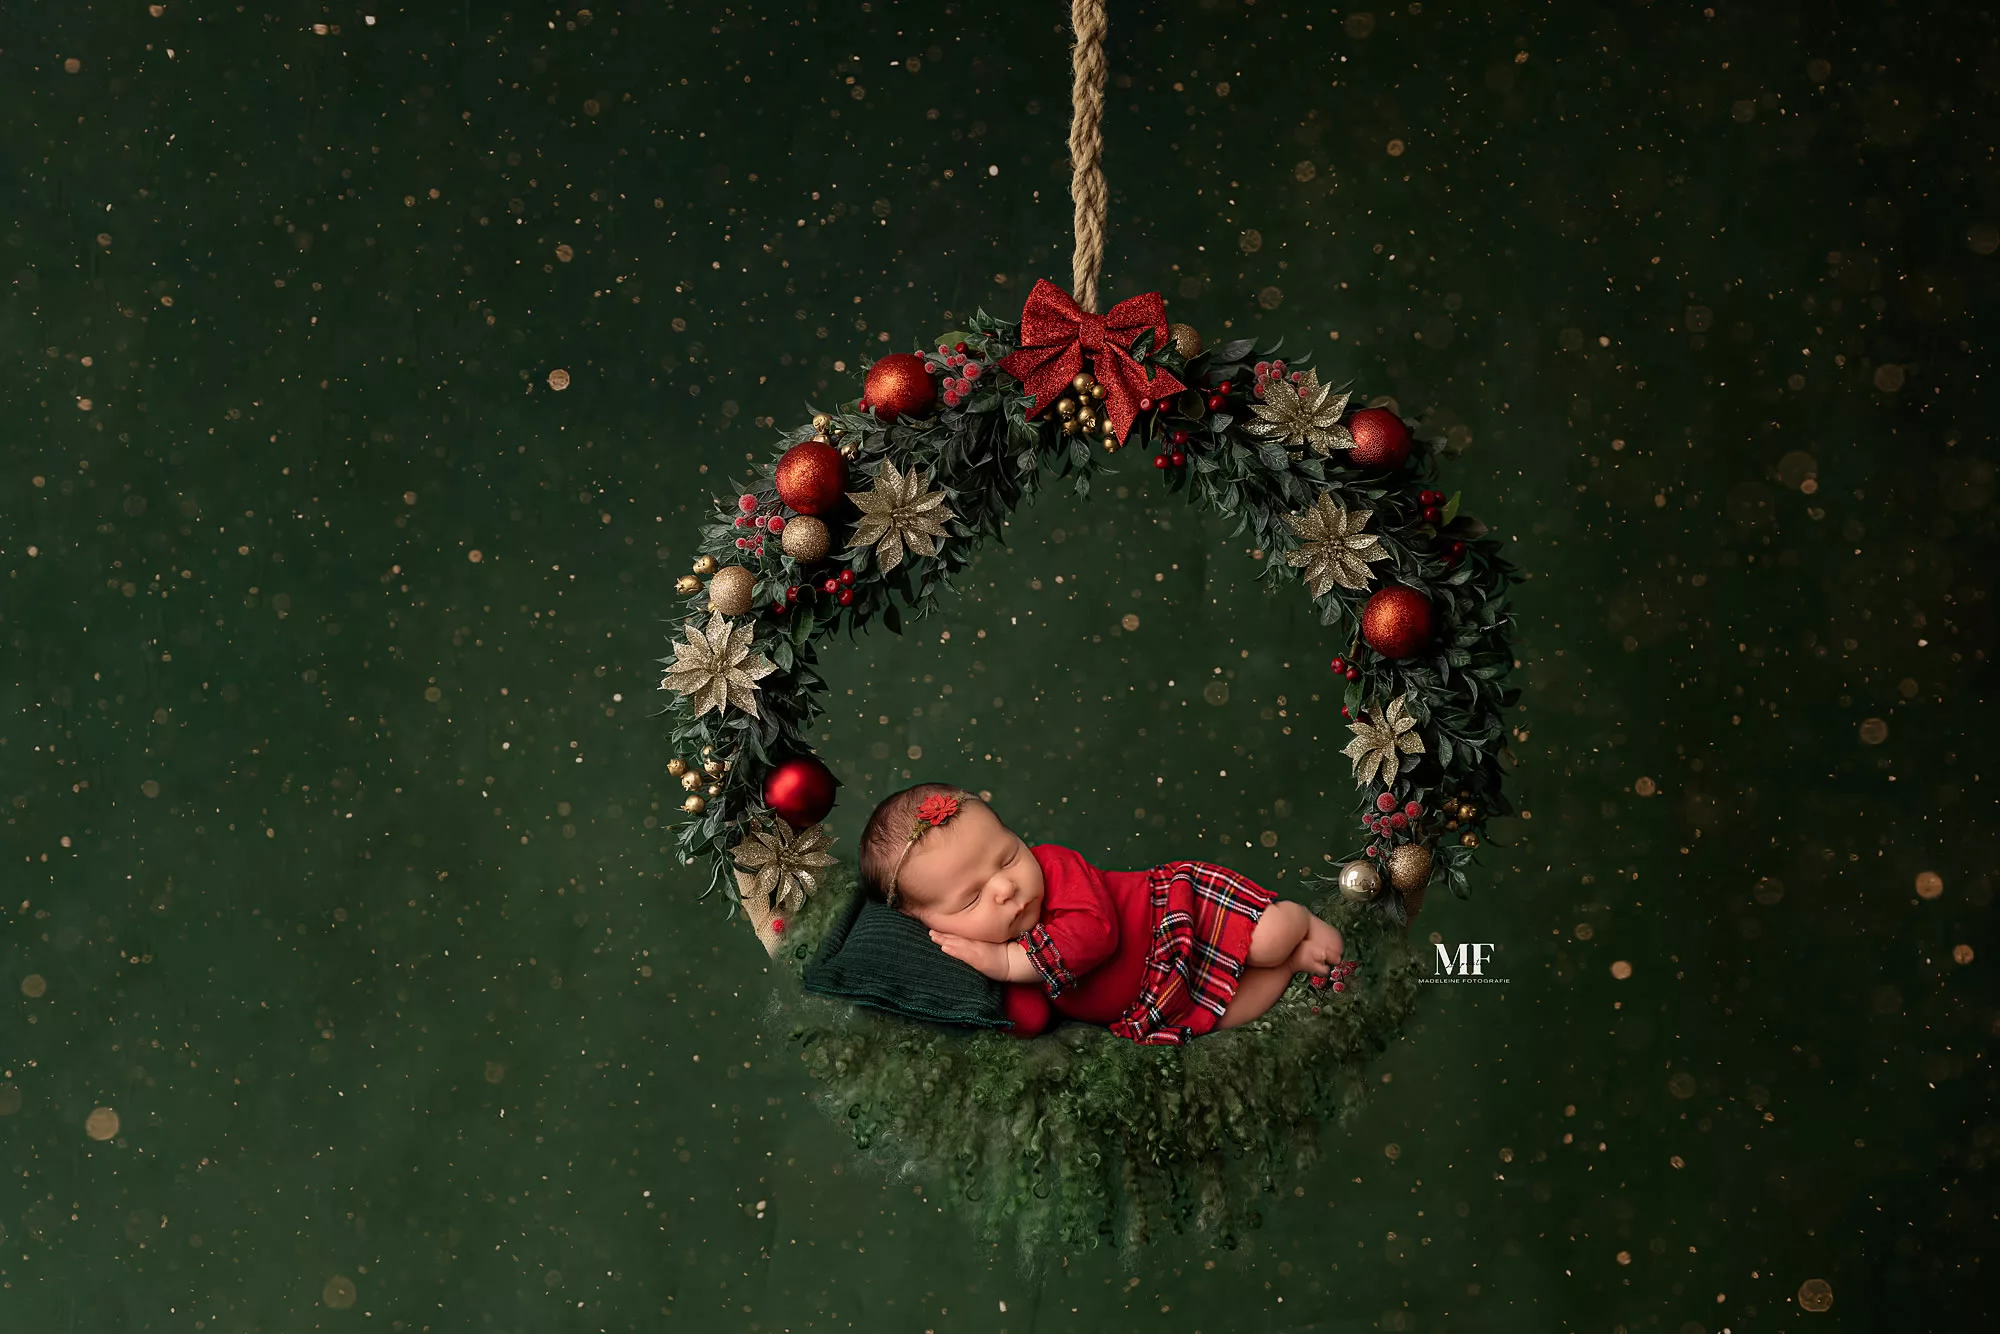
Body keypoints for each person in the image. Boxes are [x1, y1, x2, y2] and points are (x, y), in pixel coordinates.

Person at [858, 782, 1356, 1043]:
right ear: (930, 926)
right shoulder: (980, 953)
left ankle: (1295, 920)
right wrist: (997, 987)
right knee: (1225, 1016)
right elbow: (1030, 1018)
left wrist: (1007, 963)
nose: (1007, 886)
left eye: (1008, 855)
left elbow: (1095, 934)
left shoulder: (1054, 866)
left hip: (1177, 920)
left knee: (1265, 941)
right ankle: (1291, 965)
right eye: (971, 899)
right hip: (1156, 995)